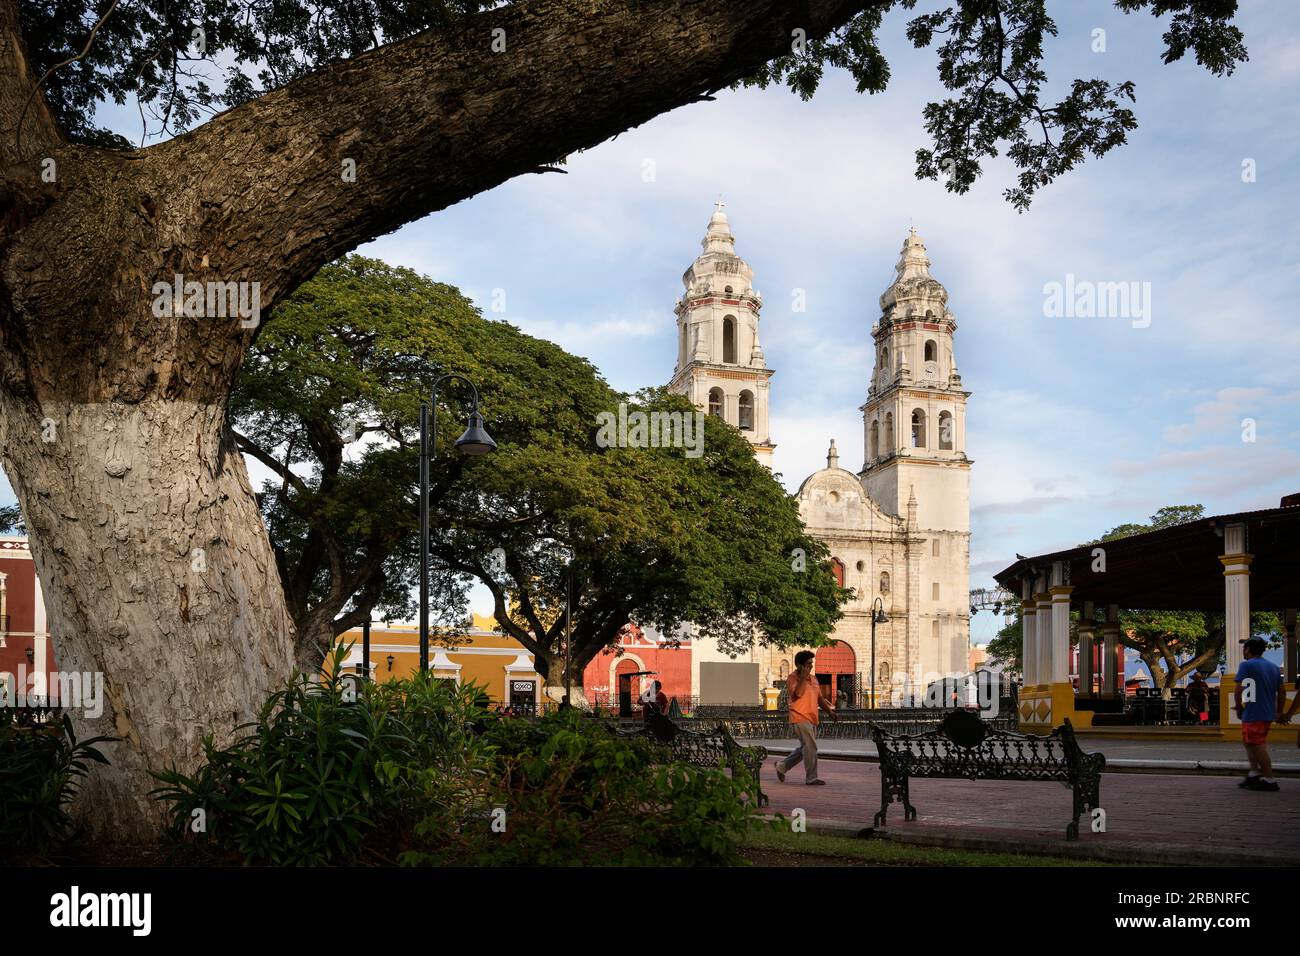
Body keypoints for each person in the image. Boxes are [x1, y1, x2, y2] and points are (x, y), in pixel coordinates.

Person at [773, 650, 837, 786]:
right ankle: (811, 778)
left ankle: (781, 766)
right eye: (808, 664)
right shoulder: (792, 678)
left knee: (806, 748)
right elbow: (798, 694)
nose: (811, 666)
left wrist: (829, 712)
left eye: (811, 663)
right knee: (811, 747)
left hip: (812, 717)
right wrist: (802, 677)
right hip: (799, 716)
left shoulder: (814, 678)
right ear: (799, 665)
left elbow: (819, 698)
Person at [1233, 637, 1286, 791]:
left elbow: (1238, 690)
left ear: (1248, 649)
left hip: (1253, 712)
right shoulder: (1274, 668)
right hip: (1267, 712)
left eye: (1244, 648)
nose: (1243, 651)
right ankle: (1254, 773)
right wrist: (1279, 711)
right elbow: (1281, 692)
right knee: (1249, 743)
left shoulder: (1246, 665)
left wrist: (1238, 707)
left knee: (1258, 745)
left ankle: (1270, 779)